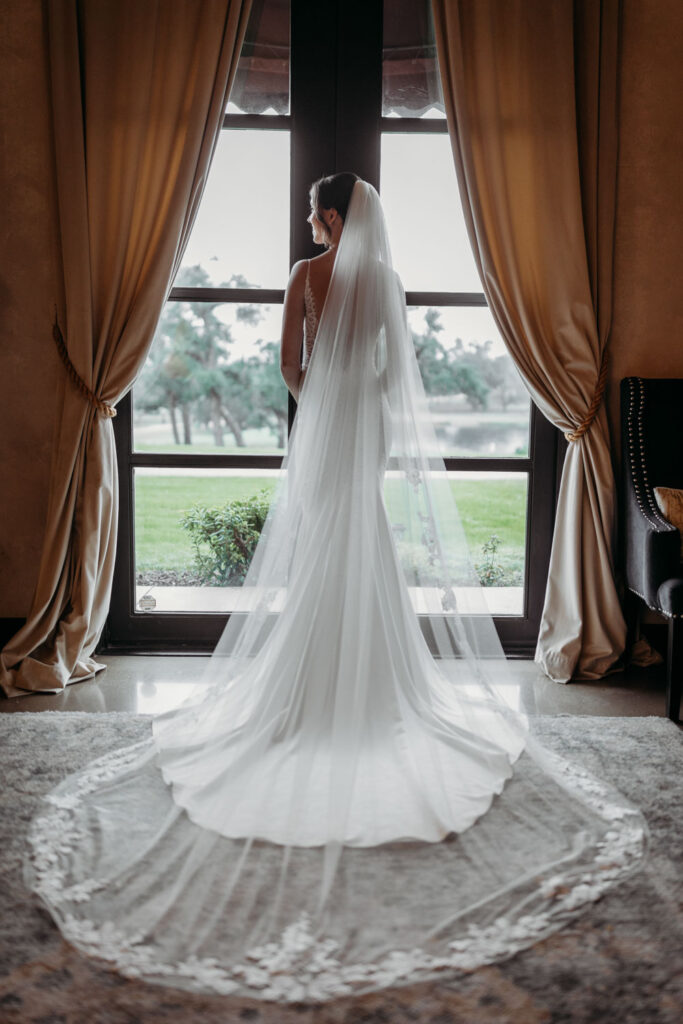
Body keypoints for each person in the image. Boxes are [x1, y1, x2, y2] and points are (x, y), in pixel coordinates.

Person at [24, 175, 647, 1003]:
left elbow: (289, 361)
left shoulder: (305, 275)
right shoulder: (385, 280)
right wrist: (362, 406)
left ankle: (309, 689)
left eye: (314, 214)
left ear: (328, 216)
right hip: (368, 423)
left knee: (323, 541)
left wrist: (316, 406)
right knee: (363, 541)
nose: (309, 224)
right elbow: (395, 372)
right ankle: (373, 688)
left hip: (325, 424)